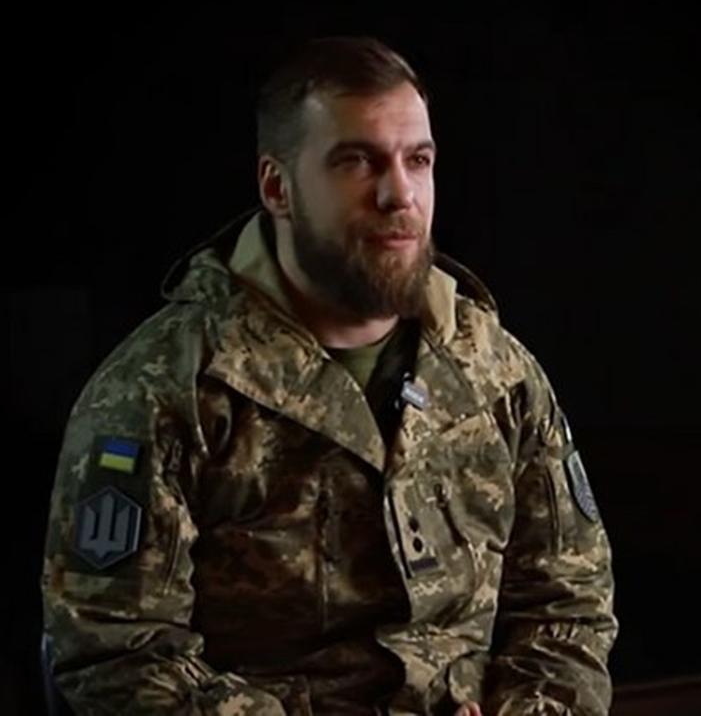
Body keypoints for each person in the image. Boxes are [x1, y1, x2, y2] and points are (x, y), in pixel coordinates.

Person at [39, 36, 617, 715]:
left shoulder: (496, 371)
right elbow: (117, 654)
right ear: (277, 187)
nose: (399, 193)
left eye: (418, 160)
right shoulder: (165, 388)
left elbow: (569, 604)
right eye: (356, 161)